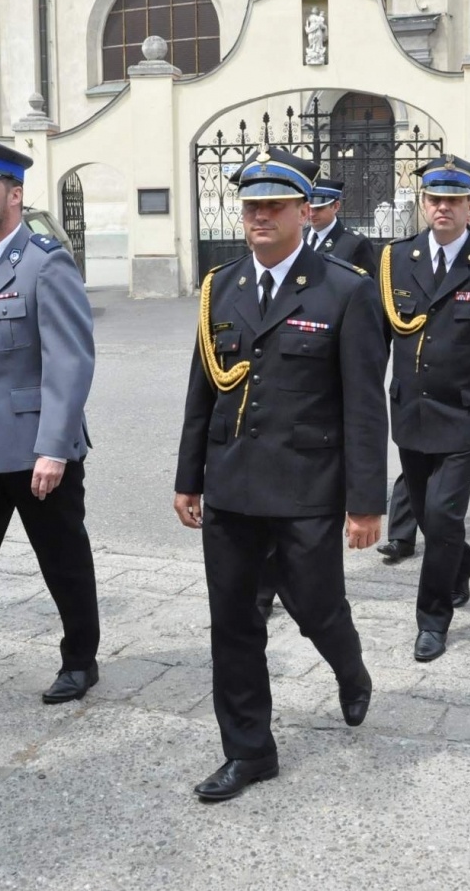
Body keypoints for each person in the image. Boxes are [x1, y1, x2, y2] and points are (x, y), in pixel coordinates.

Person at [174, 147, 385, 802]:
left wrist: (365, 503)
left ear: (302, 210)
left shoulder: (344, 290)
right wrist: (189, 477)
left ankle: (350, 668)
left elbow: (363, 406)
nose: (259, 216)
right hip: (233, 483)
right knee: (233, 622)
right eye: (250, 206)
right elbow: (202, 389)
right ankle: (248, 750)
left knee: (316, 606)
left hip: (305, 487)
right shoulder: (223, 286)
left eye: (273, 205)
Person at [0, 136, 102, 704]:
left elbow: (70, 361)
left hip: (40, 453)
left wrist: (55, 447)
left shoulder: (45, 264)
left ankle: (81, 660)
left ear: (14, 193)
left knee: (62, 561)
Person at [381, 155, 470, 661]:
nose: (443, 208)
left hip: (468, 414)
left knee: (442, 515)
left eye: (453, 201)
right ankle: (460, 562)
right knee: (425, 516)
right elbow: (378, 338)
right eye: (434, 200)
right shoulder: (397, 259)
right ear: (425, 204)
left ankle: (432, 620)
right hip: (413, 413)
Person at [303, 177, 377, 276]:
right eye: (309, 208)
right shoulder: (298, 236)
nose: (311, 214)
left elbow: (366, 286)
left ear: (336, 206)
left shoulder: (355, 243)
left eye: (318, 208)